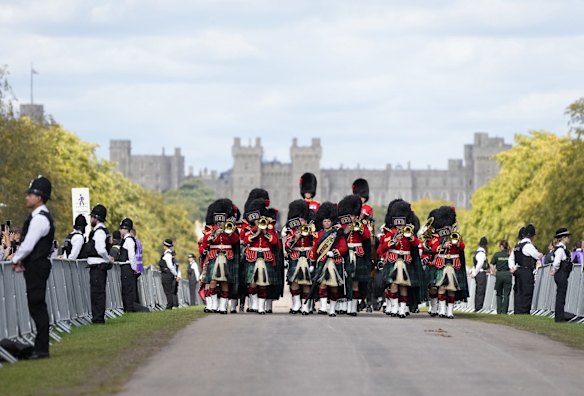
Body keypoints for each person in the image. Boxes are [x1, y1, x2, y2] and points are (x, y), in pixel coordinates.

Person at [10, 176, 55, 359]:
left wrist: (16, 259)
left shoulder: (39, 219)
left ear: (39, 197)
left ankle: (42, 348)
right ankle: (40, 346)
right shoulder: (38, 217)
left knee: (37, 305)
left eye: (30, 194)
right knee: (37, 305)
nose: (27, 197)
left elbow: (28, 245)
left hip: (37, 266)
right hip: (35, 265)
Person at [377, 199, 424, 318]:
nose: (399, 226)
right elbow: (382, 248)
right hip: (393, 260)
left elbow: (417, 243)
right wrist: (394, 240)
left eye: (401, 223)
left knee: (404, 285)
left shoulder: (409, 233)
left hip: (406, 261)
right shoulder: (389, 233)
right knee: (393, 285)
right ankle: (394, 307)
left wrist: (411, 237)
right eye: (398, 223)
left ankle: (402, 308)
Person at [427, 206, 468, 319]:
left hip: (454, 263)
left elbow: (462, 247)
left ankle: (449, 311)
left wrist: (456, 241)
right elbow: (434, 247)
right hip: (442, 263)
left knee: (452, 289)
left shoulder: (456, 235)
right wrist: (443, 245)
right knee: (441, 287)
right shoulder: (437, 237)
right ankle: (441, 309)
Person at [310, 202, 348, 317]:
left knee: (334, 287)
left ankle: (332, 309)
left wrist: (335, 253)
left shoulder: (337, 234)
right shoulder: (318, 234)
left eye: (328, 221)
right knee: (322, 285)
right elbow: (314, 249)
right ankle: (323, 307)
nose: (326, 223)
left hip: (334, 263)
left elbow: (343, 247)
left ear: (332, 221)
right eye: (325, 221)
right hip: (322, 262)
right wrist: (312, 262)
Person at [242, 198, 279, 315]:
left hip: (265, 255)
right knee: (252, 283)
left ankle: (261, 307)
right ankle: (254, 304)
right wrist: (257, 232)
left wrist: (265, 232)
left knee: (263, 284)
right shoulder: (249, 228)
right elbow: (245, 240)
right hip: (252, 255)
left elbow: (274, 241)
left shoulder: (269, 228)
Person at [338, 194, 371, 316]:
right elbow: (339, 237)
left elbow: (367, 236)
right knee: (345, 281)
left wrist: (360, 229)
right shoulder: (343, 225)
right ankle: (344, 305)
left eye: (354, 215)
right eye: (350, 215)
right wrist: (346, 230)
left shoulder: (361, 224)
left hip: (358, 254)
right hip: (346, 253)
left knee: (355, 282)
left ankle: (353, 307)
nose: (352, 217)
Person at [284, 199, 314, 315]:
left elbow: (315, 243)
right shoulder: (292, 231)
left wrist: (308, 234)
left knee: (306, 282)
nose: (301, 222)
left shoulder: (311, 230)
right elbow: (287, 246)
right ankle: (296, 304)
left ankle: (305, 306)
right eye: (299, 220)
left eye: (303, 220)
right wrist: (295, 237)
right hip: (295, 256)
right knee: (294, 282)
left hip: (306, 256)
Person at [86, 204, 113, 324]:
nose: (91, 219)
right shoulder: (101, 231)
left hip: (98, 266)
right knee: (98, 292)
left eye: (92, 217)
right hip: (98, 266)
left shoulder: (99, 232)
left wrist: (108, 258)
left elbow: (101, 249)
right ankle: (98, 317)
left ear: (96, 217)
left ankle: (98, 319)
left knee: (97, 293)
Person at [509, 224, 542, 314]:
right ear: (532, 235)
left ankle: (517, 311)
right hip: (526, 271)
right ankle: (524, 311)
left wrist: (512, 267)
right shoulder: (528, 246)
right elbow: (536, 255)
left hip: (518, 270)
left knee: (518, 291)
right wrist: (541, 254)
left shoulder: (517, 246)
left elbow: (511, 259)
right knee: (526, 291)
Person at [550, 228, 574, 323]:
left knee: (561, 295)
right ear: (562, 238)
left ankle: (560, 316)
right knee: (561, 295)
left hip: (562, 274)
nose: (569, 238)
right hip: (561, 274)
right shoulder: (560, 250)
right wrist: (554, 270)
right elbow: (556, 263)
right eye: (567, 237)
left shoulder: (562, 249)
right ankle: (559, 318)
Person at [118, 218, 139, 312]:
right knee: (126, 290)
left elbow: (131, 255)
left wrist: (134, 268)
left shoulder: (129, 240)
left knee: (127, 291)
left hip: (127, 267)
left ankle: (129, 309)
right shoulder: (126, 240)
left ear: (126, 229)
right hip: (126, 267)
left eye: (121, 228)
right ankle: (128, 309)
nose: (120, 230)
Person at [489, 240, 512, 314]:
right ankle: (505, 312)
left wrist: (494, 272)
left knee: (499, 294)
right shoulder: (509, 255)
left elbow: (491, 264)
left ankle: (499, 311)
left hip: (499, 274)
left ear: (501, 246)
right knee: (506, 294)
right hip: (507, 274)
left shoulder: (497, 254)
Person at [471, 237, 489, 311]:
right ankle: (479, 307)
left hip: (479, 273)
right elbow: (480, 263)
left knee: (479, 290)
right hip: (481, 273)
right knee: (481, 291)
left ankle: (477, 306)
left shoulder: (477, 252)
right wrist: (475, 272)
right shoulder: (481, 253)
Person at [159, 239, 178, 309]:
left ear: (165, 246)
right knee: (169, 290)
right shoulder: (170, 254)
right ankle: (170, 304)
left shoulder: (167, 255)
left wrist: (175, 274)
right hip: (169, 274)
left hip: (167, 274)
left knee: (167, 290)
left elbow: (170, 266)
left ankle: (169, 305)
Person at [131, 229, 143, 305]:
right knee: (135, 286)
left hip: (135, 268)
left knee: (133, 287)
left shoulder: (134, 242)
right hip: (139, 267)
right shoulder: (139, 242)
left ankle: (135, 303)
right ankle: (137, 302)